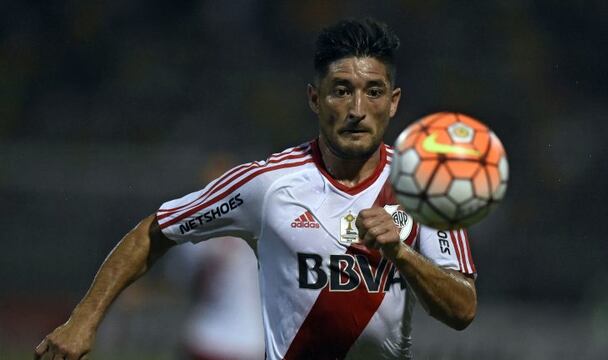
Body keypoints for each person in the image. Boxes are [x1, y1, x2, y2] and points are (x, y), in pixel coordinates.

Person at [35, 18, 477, 360]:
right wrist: (83, 321)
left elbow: (462, 308)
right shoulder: (267, 184)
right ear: (314, 98)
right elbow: (156, 230)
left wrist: (401, 253)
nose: (358, 109)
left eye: (373, 92)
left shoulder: (425, 190)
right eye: (341, 91)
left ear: (394, 102)